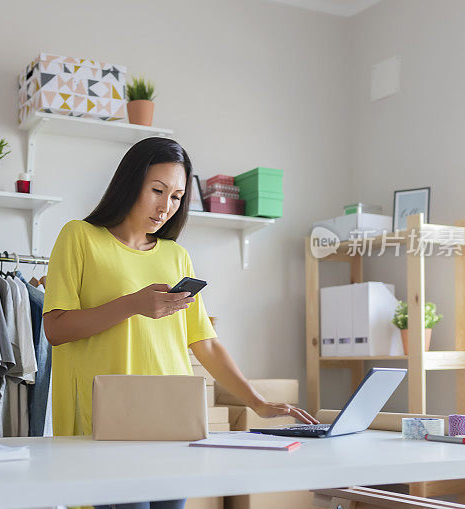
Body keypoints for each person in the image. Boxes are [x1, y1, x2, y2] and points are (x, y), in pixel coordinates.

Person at [42, 137, 318, 509]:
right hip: (108, 420)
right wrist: (133, 304)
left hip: (172, 419)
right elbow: (55, 329)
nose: (165, 206)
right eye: (157, 190)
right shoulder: (79, 237)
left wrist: (258, 402)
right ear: (130, 182)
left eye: (176, 196)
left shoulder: (176, 255)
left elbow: (204, 343)